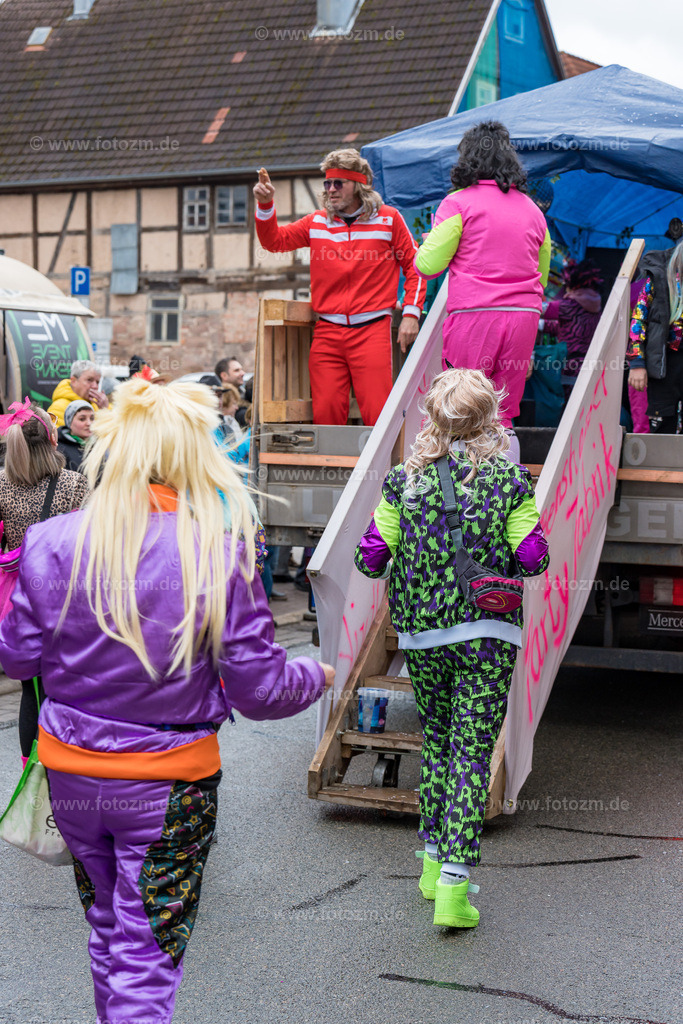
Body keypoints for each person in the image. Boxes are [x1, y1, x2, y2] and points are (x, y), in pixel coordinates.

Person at [0, 377, 334, 1024]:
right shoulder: (216, 550)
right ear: (192, 458)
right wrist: (314, 677)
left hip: (70, 774)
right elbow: (260, 691)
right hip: (169, 784)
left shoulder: (52, 543)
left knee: (108, 931)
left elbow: (14, 657)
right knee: (146, 956)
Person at [354, 368, 549, 929]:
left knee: (437, 742)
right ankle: (455, 889)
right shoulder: (511, 482)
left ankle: (430, 863)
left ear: (433, 419)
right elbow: (535, 559)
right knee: (470, 753)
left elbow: (371, 560)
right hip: (487, 636)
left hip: (422, 635)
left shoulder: (402, 483)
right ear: (491, 417)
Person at [253, 148, 426, 426]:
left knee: (377, 416)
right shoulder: (317, 221)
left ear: (357, 185)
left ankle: (381, 471)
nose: (330, 190)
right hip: (327, 332)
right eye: (327, 183)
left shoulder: (389, 218)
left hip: (372, 330)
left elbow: (417, 267)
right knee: (326, 416)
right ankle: (332, 470)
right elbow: (274, 242)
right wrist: (265, 205)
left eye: (338, 183)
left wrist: (410, 314)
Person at [414, 121, 551, 431]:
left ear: (467, 159)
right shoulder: (533, 210)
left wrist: (428, 242)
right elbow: (541, 276)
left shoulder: (458, 203)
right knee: (503, 412)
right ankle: (502, 475)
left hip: (476, 316)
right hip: (523, 318)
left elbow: (427, 265)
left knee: (460, 405)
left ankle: (460, 477)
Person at [0, 399, 89, 764]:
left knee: (29, 691)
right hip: (65, 600)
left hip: (16, 601)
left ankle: (29, 772)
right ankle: (67, 763)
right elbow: (89, 546)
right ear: (52, 440)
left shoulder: (2, 484)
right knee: (70, 688)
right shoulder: (73, 483)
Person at [628, 239, 683, 434]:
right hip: (665, 362)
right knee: (662, 425)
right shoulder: (660, 277)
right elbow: (638, 320)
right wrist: (637, 362)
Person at [541, 258, 603, 401]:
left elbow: (538, 309)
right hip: (591, 363)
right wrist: (542, 326)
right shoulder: (595, 305)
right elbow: (570, 328)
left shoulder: (570, 305)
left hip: (570, 365)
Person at [48, 359, 108, 427]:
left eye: (97, 382)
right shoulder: (58, 407)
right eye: (89, 380)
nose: (95, 386)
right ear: (74, 381)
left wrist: (105, 411)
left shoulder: (98, 406)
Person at [57, 399, 94, 470]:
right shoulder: (59, 450)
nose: (89, 423)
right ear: (69, 422)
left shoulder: (99, 446)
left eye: (92, 418)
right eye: (82, 419)